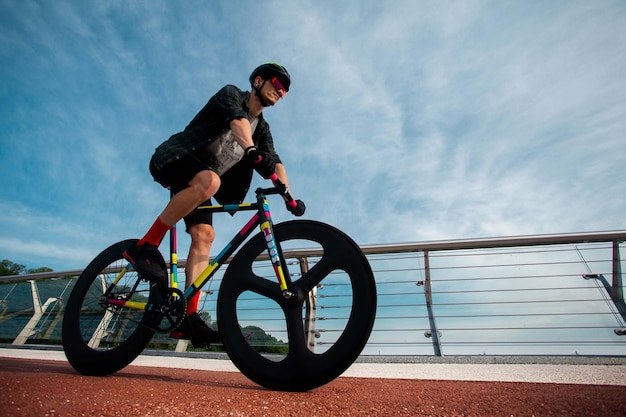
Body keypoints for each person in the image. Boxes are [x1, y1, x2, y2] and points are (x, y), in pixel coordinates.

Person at [123, 63, 306, 348]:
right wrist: (252, 151)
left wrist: (288, 195)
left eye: (285, 91)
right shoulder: (232, 94)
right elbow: (238, 123)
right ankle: (144, 245)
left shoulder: (263, 128)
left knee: (205, 236)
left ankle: (187, 316)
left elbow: (276, 160)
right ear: (258, 81)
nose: (281, 92)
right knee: (210, 181)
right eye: (276, 84)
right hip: (176, 157)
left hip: (200, 179)